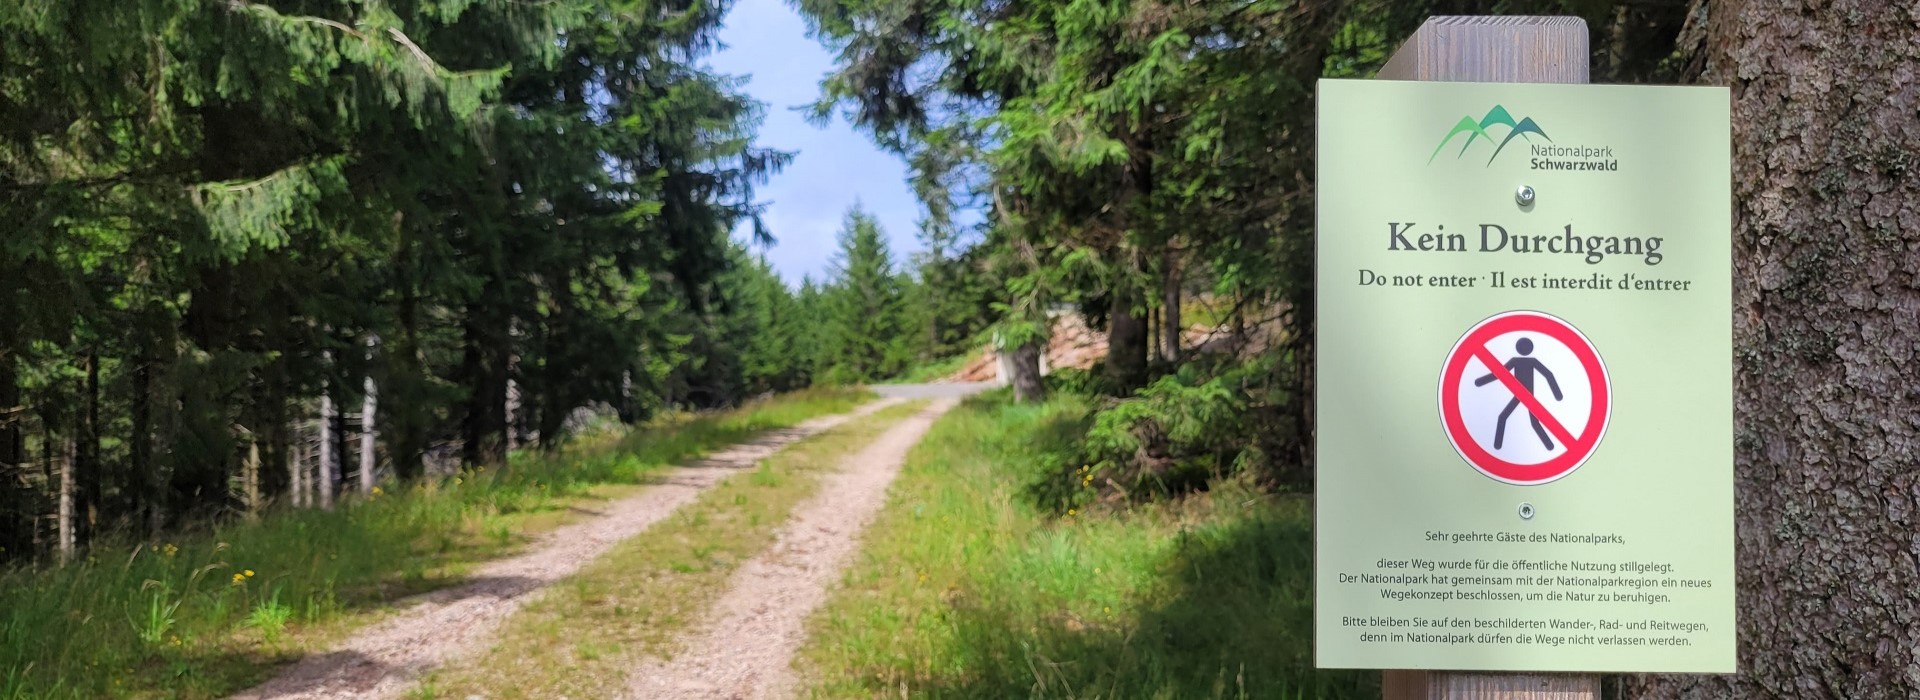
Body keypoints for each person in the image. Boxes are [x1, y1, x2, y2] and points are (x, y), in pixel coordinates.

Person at [1473, 337, 1562, 450]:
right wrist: (1557, 395)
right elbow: (1548, 374)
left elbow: (1498, 373)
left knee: (1506, 417)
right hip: (1522, 395)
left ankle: (1550, 446)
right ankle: (1550, 446)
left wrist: (1480, 381)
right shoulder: (1525, 361)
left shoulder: (1522, 361)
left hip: (1526, 396)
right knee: (1530, 421)